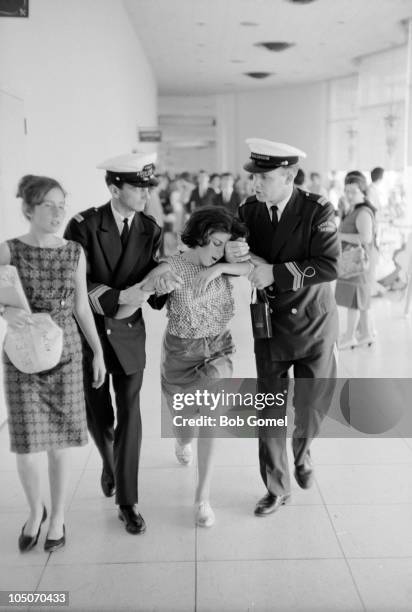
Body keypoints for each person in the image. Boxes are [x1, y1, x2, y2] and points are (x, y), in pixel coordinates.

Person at [64, 153, 181, 536]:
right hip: (90, 332)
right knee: (100, 414)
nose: (147, 194)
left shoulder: (149, 227)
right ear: (115, 189)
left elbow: (151, 278)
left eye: (149, 187)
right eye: (139, 187)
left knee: (130, 411)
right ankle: (110, 461)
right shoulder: (83, 226)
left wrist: (162, 286)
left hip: (130, 332)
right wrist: (123, 295)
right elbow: (74, 286)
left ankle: (128, 501)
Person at [225, 139, 340, 517]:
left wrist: (271, 271)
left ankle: (303, 454)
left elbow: (328, 265)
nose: (255, 184)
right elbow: (243, 252)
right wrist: (236, 255)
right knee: (270, 409)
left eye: (265, 177)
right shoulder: (249, 210)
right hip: (271, 323)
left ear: (289, 175)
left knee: (309, 406)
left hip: (313, 321)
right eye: (253, 176)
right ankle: (276, 488)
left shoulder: (317, 210)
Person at [0, 174, 105, 553]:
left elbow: (81, 307)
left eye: (63, 204)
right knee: (26, 445)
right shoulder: (9, 249)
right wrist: (4, 311)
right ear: (28, 209)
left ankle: (58, 515)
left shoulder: (74, 251)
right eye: (49, 205)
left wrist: (98, 353)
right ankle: (34, 511)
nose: (59, 212)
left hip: (65, 352)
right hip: (23, 354)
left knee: (60, 442)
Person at [140, 206, 250, 527]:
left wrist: (217, 269)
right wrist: (155, 283)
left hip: (218, 348)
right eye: (215, 244)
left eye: (224, 245)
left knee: (210, 418)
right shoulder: (172, 265)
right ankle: (181, 439)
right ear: (200, 238)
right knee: (185, 424)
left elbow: (248, 267)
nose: (219, 252)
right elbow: (150, 287)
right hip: (180, 353)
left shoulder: (225, 266)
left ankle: (202, 497)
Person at [335, 173, 377, 349]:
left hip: (359, 262)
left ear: (363, 192)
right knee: (361, 299)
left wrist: (339, 236)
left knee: (354, 300)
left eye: (353, 191)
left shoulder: (363, 212)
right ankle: (365, 334)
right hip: (354, 261)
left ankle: (350, 336)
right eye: (346, 191)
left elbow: (365, 237)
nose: (349, 195)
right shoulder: (353, 209)